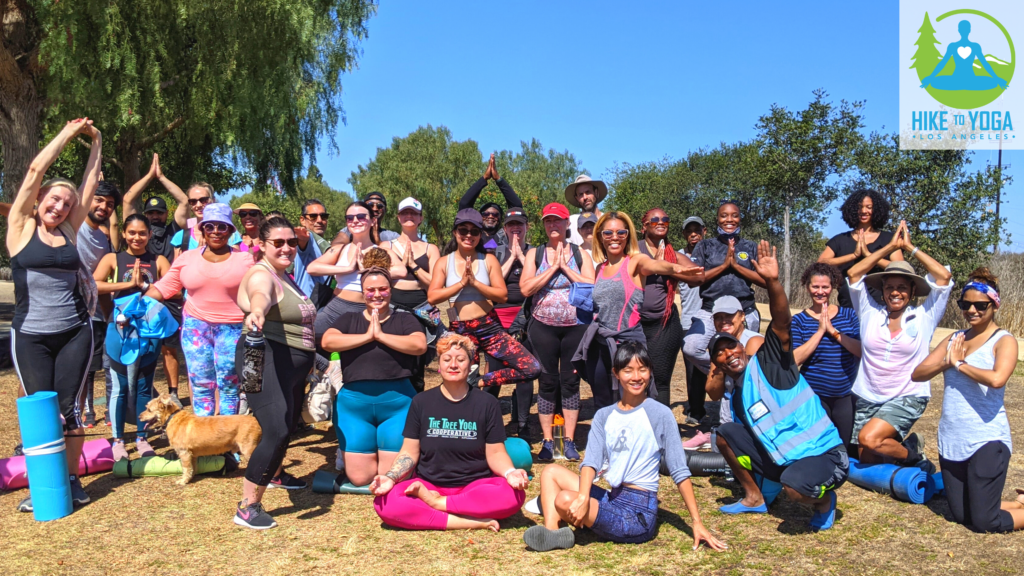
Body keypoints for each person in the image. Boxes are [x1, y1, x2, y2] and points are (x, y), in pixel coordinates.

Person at [524, 341, 726, 552]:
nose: (636, 377)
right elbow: (591, 462)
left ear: (650, 372)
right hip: (613, 496)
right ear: (616, 373)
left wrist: (697, 522)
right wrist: (584, 497)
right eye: (628, 370)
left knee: (564, 499)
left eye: (642, 369)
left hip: (637, 514)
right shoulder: (604, 415)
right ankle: (552, 532)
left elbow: (679, 470)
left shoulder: (660, 414)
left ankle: (566, 519)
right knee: (550, 472)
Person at [711, 241, 848, 531]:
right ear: (718, 365)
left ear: (744, 347)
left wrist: (772, 282)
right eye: (720, 354)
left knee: (794, 489)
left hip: (825, 455)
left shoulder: (770, 364)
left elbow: (782, 322)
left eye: (732, 347)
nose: (729, 354)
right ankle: (754, 497)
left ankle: (825, 501)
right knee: (724, 433)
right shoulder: (737, 396)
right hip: (784, 459)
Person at [8, 118, 103, 511]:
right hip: (30, 334)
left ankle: (71, 479)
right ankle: (42, 485)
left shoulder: (69, 229)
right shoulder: (19, 226)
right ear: (39, 199)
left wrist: (96, 142)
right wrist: (67, 134)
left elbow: (92, 184)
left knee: (70, 409)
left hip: (75, 330)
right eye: (54, 199)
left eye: (67, 203)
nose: (60, 206)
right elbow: (34, 171)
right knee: (40, 409)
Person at [371, 333, 529, 531]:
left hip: (475, 486)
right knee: (385, 503)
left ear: (471, 365)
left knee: (513, 496)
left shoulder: (487, 403)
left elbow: (496, 453)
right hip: (428, 485)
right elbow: (409, 452)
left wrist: (510, 472)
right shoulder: (421, 402)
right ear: (439, 365)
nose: (453, 365)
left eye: (460, 359)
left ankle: (437, 506)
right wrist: (391, 477)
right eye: (447, 359)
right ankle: (466, 520)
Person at [912, 268, 1023, 533]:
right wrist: (946, 360)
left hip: (987, 439)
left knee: (985, 522)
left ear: (994, 305)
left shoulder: (1004, 340)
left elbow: (997, 379)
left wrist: (959, 364)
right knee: (962, 516)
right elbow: (918, 373)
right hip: (952, 437)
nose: (972, 310)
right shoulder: (955, 339)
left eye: (980, 305)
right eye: (965, 304)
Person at [233, 217, 317, 529]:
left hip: (290, 367)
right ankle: (247, 507)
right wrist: (257, 310)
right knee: (277, 428)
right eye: (278, 243)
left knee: (287, 426)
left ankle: (276, 474)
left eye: (292, 242)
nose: (286, 248)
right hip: (262, 359)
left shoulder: (287, 275)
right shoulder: (261, 274)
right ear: (262, 246)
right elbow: (260, 294)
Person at [847, 221, 952, 470]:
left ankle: (914, 458)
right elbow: (854, 274)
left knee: (869, 439)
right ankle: (907, 445)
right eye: (890, 287)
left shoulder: (924, 315)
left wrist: (910, 248)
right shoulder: (869, 313)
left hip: (908, 394)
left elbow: (944, 277)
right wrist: (889, 247)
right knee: (868, 459)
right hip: (868, 394)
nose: (896, 292)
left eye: (902, 287)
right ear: (882, 290)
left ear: (912, 291)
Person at [321, 250, 427, 487]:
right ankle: (354, 452)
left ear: (391, 290)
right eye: (371, 289)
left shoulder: (404, 319)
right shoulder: (349, 319)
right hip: (354, 406)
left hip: (397, 405)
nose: (377, 294)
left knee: (392, 477)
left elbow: (419, 345)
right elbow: (328, 341)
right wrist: (368, 336)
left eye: (383, 289)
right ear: (363, 291)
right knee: (360, 478)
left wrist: (381, 335)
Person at [575, 212, 700, 410]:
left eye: (620, 232)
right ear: (600, 236)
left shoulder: (635, 261)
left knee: (632, 405)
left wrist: (675, 268)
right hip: (601, 344)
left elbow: (655, 264)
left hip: (628, 345)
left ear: (628, 235)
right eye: (608, 232)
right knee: (603, 402)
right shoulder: (600, 268)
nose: (614, 237)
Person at [146, 203, 255, 416]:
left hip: (232, 329)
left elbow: (260, 290)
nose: (216, 232)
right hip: (196, 328)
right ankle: (205, 443)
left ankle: (226, 442)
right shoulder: (188, 257)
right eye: (210, 226)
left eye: (222, 227)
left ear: (231, 230)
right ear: (202, 229)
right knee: (201, 384)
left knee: (229, 385)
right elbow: (165, 287)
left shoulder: (245, 260)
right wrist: (132, 306)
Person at [427, 208, 541, 390]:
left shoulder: (488, 260)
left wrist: (475, 283)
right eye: (463, 230)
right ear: (455, 232)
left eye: (474, 232)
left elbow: (501, 295)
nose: (468, 235)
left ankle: (478, 381)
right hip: (460, 329)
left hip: (489, 326)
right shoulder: (444, 262)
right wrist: (462, 284)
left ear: (480, 235)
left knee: (531, 368)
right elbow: (432, 296)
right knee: (457, 381)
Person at [519, 203, 596, 461]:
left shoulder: (580, 253)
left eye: (558, 221)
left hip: (575, 326)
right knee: (548, 381)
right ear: (544, 225)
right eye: (548, 221)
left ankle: (570, 441)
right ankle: (548, 441)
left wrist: (566, 268)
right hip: (543, 327)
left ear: (567, 225)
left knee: (571, 382)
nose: (553, 225)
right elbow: (526, 288)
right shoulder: (535, 254)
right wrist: (553, 268)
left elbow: (592, 284)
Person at [93, 215, 171, 460]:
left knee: (143, 386)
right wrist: (127, 286)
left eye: (142, 233)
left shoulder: (157, 260)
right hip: (120, 332)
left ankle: (141, 438)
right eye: (132, 233)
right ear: (124, 234)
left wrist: (146, 287)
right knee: (120, 386)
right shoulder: (113, 259)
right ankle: (118, 440)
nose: (137, 238)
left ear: (149, 234)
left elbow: (174, 288)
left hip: (149, 332)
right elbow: (93, 284)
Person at [682, 201, 764, 423]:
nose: (729, 220)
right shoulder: (705, 246)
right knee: (691, 346)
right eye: (724, 216)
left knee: (752, 363)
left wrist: (737, 267)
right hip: (710, 310)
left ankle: (744, 414)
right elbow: (693, 280)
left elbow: (766, 281)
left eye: (734, 216)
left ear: (740, 218)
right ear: (717, 219)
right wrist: (724, 266)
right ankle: (726, 368)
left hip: (744, 311)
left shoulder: (750, 247)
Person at [122, 153, 190, 401]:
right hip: (141, 297)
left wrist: (160, 177)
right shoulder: (139, 234)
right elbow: (128, 200)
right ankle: (143, 393)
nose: (155, 217)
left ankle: (173, 394)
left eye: (159, 213)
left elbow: (184, 201)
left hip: (170, 297)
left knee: (170, 349)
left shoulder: (175, 230)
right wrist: (147, 177)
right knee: (142, 348)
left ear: (165, 214)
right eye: (150, 214)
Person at [309, 202, 406, 357]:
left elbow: (401, 271)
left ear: (373, 221)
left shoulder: (382, 251)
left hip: (366, 310)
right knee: (305, 338)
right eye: (350, 218)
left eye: (361, 216)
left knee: (362, 354)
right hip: (336, 308)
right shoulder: (340, 248)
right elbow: (312, 268)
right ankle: (327, 368)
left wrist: (367, 270)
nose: (355, 220)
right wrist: (347, 269)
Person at [791, 263, 861, 453]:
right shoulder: (799, 320)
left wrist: (833, 331)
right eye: (815, 286)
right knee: (817, 448)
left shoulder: (848, 314)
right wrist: (821, 331)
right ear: (807, 287)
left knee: (842, 449)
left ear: (833, 287)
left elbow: (860, 351)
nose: (820, 292)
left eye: (825, 287)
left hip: (845, 396)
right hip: (813, 396)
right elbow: (796, 358)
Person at [638, 208, 702, 408]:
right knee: (635, 375)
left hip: (664, 324)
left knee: (661, 378)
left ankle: (660, 429)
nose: (660, 222)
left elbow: (698, 277)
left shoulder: (671, 254)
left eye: (665, 219)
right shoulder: (633, 250)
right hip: (634, 323)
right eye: (654, 219)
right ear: (644, 227)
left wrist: (671, 268)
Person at [687, 295, 764, 451]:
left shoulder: (754, 341)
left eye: (729, 316)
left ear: (742, 316)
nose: (723, 321)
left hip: (755, 423)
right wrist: (720, 360)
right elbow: (713, 393)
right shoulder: (718, 346)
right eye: (718, 317)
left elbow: (753, 389)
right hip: (729, 424)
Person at [382, 197, 440, 392]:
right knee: (391, 358)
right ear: (398, 217)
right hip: (392, 306)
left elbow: (435, 283)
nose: (409, 216)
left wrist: (413, 267)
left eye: (413, 213)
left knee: (417, 365)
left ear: (420, 218)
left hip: (421, 308)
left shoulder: (430, 248)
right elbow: (378, 278)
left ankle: (416, 409)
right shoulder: (385, 247)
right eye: (405, 213)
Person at [77, 179, 120, 428]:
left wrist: (110, 317)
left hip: (89, 317)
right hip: (63, 311)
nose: (104, 207)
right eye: (99, 200)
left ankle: (77, 426)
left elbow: (99, 285)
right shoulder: (71, 224)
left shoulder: (104, 242)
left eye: (110, 204)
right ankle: (29, 440)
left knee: (83, 372)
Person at [818, 189, 903, 308]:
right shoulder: (840, 239)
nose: (864, 211)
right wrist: (853, 255)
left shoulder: (889, 240)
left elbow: (900, 268)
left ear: (877, 210)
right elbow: (821, 263)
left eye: (869, 207)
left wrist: (869, 255)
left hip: (880, 307)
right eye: (859, 207)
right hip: (848, 306)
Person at [492, 206, 536, 436]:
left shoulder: (535, 253)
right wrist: (513, 258)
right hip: (498, 320)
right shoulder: (494, 252)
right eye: (511, 225)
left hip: (526, 318)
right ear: (505, 229)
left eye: (520, 224)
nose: (516, 228)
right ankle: (489, 423)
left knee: (525, 372)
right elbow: (492, 282)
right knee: (495, 373)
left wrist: (524, 258)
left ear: (527, 227)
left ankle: (523, 424)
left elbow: (538, 282)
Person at [458, 153, 523, 254]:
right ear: (480, 217)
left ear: (501, 218)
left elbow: (517, 206)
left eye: (495, 214)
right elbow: (464, 205)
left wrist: (499, 180)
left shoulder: (505, 235)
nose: (491, 216)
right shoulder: (473, 235)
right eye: (486, 214)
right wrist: (484, 178)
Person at [920, 20, 1009, 91]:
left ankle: (962, 85)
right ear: (959, 30)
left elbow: (984, 63)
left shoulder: (975, 46)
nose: (964, 31)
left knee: (993, 82)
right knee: (935, 82)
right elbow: (943, 63)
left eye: (965, 29)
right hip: (956, 79)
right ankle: (964, 85)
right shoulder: (953, 46)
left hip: (970, 79)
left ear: (969, 30)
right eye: (963, 29)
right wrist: (931, 77)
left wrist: (996, 78)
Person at [677, 216, 707, 425]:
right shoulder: (677, 256)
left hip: (711, 318)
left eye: (697, 230)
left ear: (704, 232)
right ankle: (695, 410)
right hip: (687, 319)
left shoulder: (711, 253)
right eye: (689, 231)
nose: (693, 234)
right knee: (691, 369)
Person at [170, 182, 242, 256]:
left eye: (204, 200)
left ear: (213, 200)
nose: (198, 205)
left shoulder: (229, 234)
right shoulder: (181, 237)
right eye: (193, 201)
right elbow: (177, 266)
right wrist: (196, 255)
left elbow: (236, 263)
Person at [294, 198, 334, 304]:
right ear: (302, 220)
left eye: (323, 216)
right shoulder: (309, 238)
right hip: (306, 305)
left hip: (320, 306)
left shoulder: (327, 244)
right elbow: (303, 239)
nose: (319, 220)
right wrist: (301, 237)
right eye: (313, 216)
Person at [334, 192, 400, 245]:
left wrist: (377, 241)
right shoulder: (352, 229)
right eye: (370, 205)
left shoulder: (392, 236)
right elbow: (336, 246)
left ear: (385, 210)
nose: (375, 209)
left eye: (380, 206)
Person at [565, 175, 606, 246]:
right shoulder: (571, 222)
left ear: (596, 193)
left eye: (588, 192)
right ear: (577, 198)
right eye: (581, 194)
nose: (585, 197)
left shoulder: (607, 220)